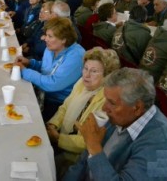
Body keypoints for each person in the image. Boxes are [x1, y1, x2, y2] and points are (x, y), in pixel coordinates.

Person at [63, 68, 167, 180]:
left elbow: (93, 151)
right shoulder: (121, 116)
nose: (105, 108)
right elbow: (83, 161)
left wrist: (94, 147)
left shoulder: (163, 147)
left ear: (137, 108)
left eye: (112, 103)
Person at [46, 47, 120, 179]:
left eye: (94, 71)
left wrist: (58, 139)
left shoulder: (107, 101)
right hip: (58, 140)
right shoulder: (81, 83)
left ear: (107, 75)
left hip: (76, 159)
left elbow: (89, 142)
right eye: (85, 68)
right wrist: (52, 125)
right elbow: (65, 107)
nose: (86, 75)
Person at [15, 17, 85, 121]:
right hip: (43, 93)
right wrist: (30, 63)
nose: (44, 38)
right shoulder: (51, 48)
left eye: (50, 36)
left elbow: (53, 84)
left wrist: (25, 71)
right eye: (46, 35)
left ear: (63, 39)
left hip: (57, 103)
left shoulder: (76, 56)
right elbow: (47, 68)